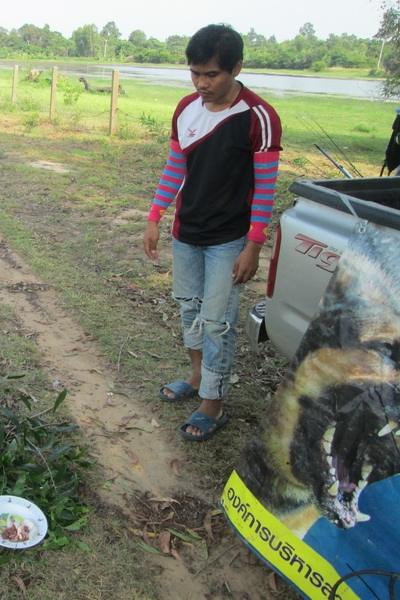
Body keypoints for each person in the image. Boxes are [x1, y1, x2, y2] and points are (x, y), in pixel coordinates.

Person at [143, 24, 282, 441]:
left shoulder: (259, 117)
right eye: (195, 73)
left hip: (229, 240)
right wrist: (154, 215)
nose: (202, 84)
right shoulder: (187, 108)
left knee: (217, 321)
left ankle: (213, 403)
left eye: (212, 75)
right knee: (189, 309)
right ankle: (198, 376)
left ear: (237, 67)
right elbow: (175, 168)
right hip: (187, 232)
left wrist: (254, 244)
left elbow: (265, 188)